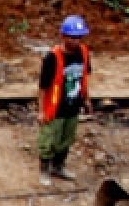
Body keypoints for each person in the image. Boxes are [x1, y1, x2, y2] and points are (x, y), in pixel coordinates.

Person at [37, 15, 92, 182]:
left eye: (79, 37)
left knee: (66, 139)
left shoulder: (83, 52)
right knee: (48, 140)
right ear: (63, 36)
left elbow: (84, 77)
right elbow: (42, 87)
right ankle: (44, 170)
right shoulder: (52, 58)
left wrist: (87, 99)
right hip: (54, 107)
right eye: (72, 37)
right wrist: (40, 111)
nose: (76, 41)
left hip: (73, 105)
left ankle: (58, 167)